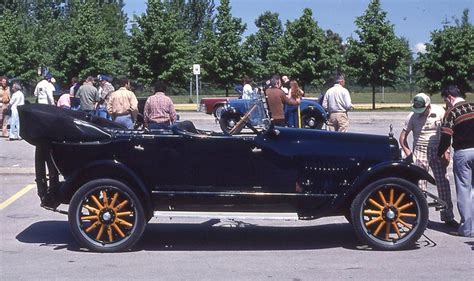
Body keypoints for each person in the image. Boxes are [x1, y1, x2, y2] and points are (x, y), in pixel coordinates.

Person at [399, 93, 458, 227]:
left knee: (443, 183)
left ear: (429, 105)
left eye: (423, 109)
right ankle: (420, 216)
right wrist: (408, 152)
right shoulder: (412, 117)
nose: (421, 112)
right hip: (419, 150)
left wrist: (446, 151)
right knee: (420, 186)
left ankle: (448, 216)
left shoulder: (440, 112)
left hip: (437, 149)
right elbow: (402, 137)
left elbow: (447, 133)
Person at [438, 85, 474, 237]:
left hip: (463, 154)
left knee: (464, 190)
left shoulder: (451, 112)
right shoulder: (473, 106)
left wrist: (439, 153)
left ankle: (467, 229)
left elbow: (446, 137)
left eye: (445, 100)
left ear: (449, 97)